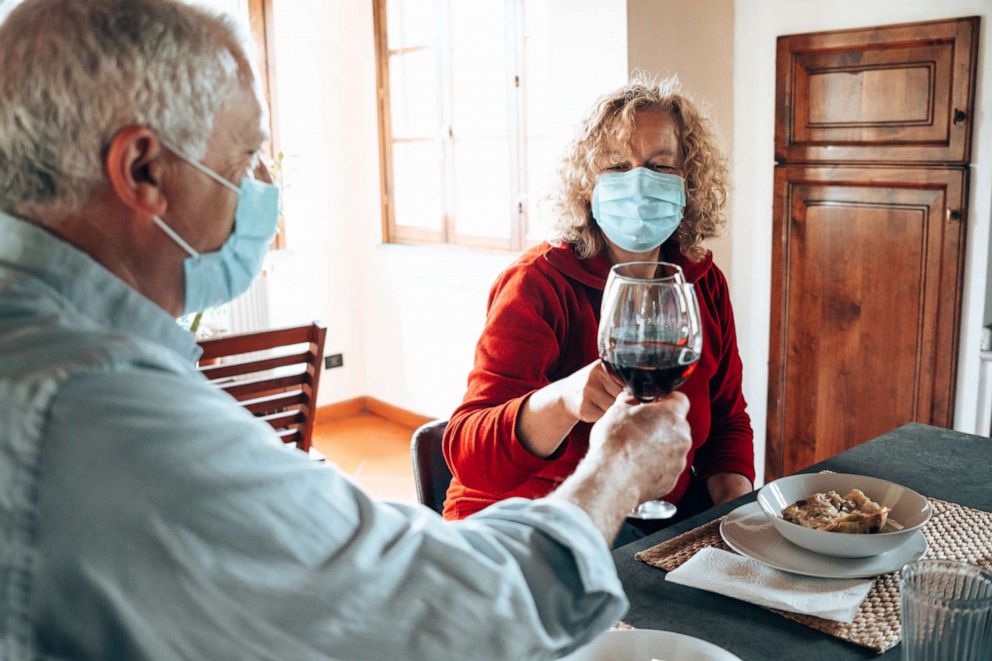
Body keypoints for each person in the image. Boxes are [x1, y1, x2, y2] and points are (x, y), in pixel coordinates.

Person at [0, 1, 695, 658]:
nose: (264, 186)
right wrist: (617, 469)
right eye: (244, 160)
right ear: (142, 169)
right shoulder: (100, 409)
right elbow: (445, 616)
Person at [442, 77, 754, 544]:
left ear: (688, 182)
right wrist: (564, 400)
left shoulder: (702, 283)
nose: (639, 182)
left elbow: (728, 422)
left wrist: (737, 520)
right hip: (530, 530)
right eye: (617, 167)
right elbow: (468, 454)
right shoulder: (536, 284)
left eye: (660, 166)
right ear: (588, 186)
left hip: (656, 529)